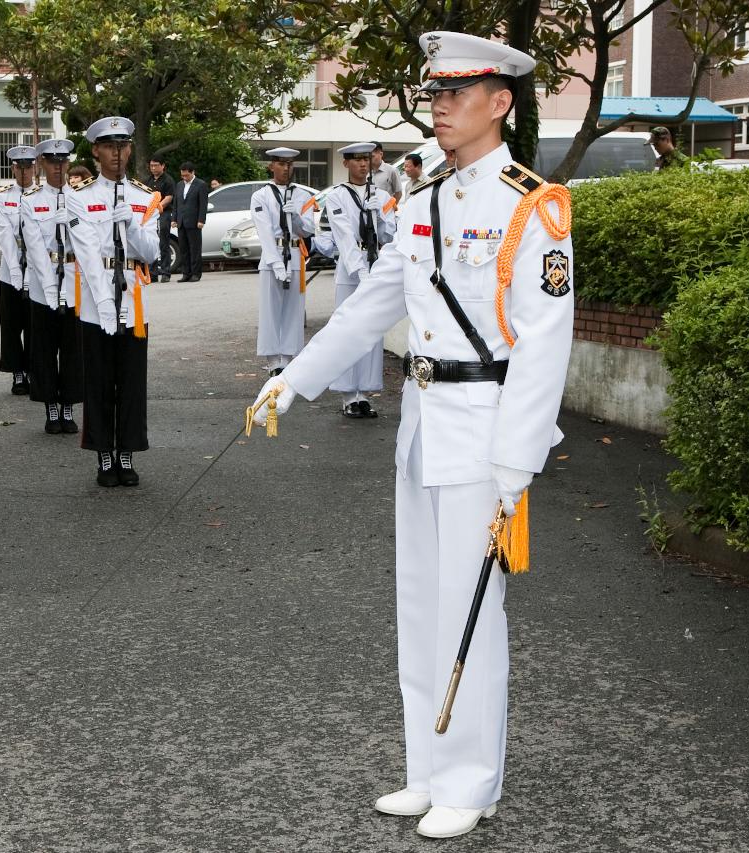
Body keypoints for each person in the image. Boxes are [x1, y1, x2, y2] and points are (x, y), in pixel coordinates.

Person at [252, 31, 574, 840]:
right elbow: (370, 304)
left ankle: (472, 781)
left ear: (500, 103)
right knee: (420, 605)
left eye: (455, 94)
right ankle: (428, 769)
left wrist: (515, 463)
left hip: (484, 433)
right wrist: (295, 377)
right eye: (434, 94)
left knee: (471, 608)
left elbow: (543, 344)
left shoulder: (533, 206)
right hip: (424, 424)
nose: (439, 108)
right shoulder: (424, 200)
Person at [66, 116, 159, 487]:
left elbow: (151, 253)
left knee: (133, 383)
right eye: (109, 146)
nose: (116, 153)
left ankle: (127, 453)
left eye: (122, 146)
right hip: (95, 302)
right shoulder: (80, 197)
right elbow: (87, 254)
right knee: (100, 382)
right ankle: (105, 455)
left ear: (130, 149)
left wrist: (133, 226)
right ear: (96, 151)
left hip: (134, 304)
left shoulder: (144, 197)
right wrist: (104, 304)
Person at [312, 142, 396, 418]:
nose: (362, 164)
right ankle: (349, 394)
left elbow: (389, 236)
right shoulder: (337, 196)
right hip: (352, 272)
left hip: (376, 267)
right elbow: (345, 236)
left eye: (366, 159)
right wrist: (360, 272)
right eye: (356, 160)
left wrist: (380, 216)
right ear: (346, 163)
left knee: (370, 332)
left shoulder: (381, 195)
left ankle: (364, 392)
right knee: (348, 331)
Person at [20, 138, 83, 435]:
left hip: (75, 282)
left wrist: (71, 223)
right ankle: (51, 407)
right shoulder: (31, 201)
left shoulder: (80, 199)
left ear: (67, 164)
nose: (58, 168)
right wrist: (49, 292)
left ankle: (68, 404)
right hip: (43, 283)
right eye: (52, 162)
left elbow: (89, 243)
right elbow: (33, 248)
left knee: (72, 349)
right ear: (42, 165)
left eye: (63, 162)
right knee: (44, 350)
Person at [250, 147, 316, 376]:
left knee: (293, 310)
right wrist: (277, 264)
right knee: (270, 310)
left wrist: (296, 217)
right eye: (281, 164)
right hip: (273, 256)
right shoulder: (261, 195)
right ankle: (273, 361)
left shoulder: (303, 195)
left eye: (290, 164)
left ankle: (288, 359)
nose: (286, 168)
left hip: (296, 254)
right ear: (271, 166)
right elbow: (265, 231)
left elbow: (308, 230)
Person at [0, 145, 38, 394]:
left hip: (37, 270)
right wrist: (16, 272)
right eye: (19, 167)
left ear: (34, 168)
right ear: (12, 168)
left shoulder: (41, 195)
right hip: (10, 270)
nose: (24, 171)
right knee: (11, 325)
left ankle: (33, 369)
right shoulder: (2, 196)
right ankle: (17, 372)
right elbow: (4, 236)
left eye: (28, 166)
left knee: (34, 324)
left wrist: (31, 272)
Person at [175, 162, 209, 282]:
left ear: (193, 172)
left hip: (194, 221)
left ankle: (196, 273)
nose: (184, 178)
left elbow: (203, 204)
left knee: (194, 249)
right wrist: (175, 218)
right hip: (181, 221)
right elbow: (176, 203)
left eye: (187, 175)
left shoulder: (201, 185)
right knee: (183, 249)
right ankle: (186, 273)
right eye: (182, 175)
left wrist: (201, 220)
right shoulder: (179, 185)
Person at [147, 157, 176, 282]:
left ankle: (165, 272)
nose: (153, 168)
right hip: (149, 215)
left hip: (163, 213)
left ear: (163, 166)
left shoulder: (168, 180)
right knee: (151, 242)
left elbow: (168, 198)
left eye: (156, 165)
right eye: (151, 165)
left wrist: (157, 207)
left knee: (163, 242)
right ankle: (152, 273)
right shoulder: (147, 180)